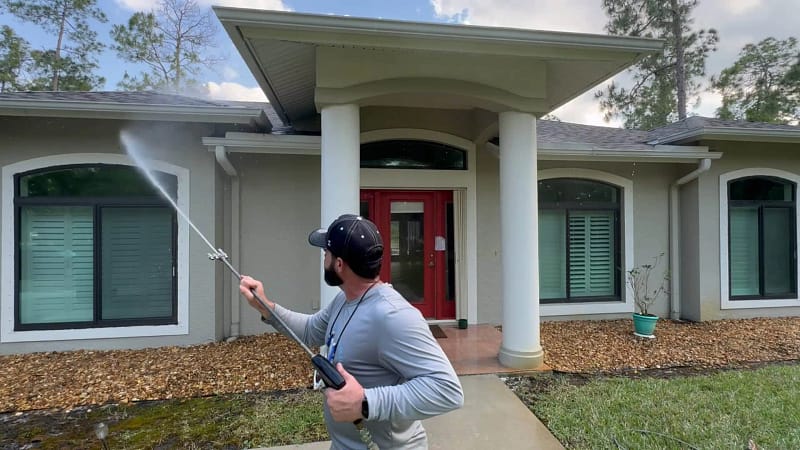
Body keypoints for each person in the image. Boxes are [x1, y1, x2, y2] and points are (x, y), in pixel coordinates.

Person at [240, 214, 464, 449]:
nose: (323, 257)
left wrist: (366, 403)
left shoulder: (392, 316)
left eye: (325, 253)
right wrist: (265, 306)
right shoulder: (344, 300)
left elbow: (446, 390)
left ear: (339, 264)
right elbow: (310, 330)